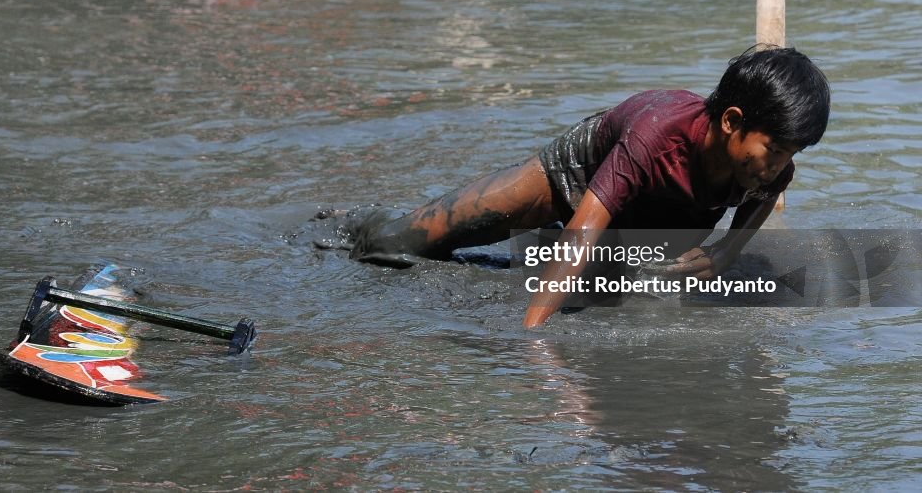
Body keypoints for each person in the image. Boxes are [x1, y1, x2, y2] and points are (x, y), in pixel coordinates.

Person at [349, 46, 830, 328]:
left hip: (650, 209)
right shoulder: (655, 139)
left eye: (793, 153)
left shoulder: (767, 168)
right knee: (402, 244)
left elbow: (764, 197)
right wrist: (534, 338)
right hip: (575, 175)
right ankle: (355, 221)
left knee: (602, 293)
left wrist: (725, 253)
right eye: (775, 150)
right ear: (731, 122)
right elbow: (580, 232)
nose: (781, 168)